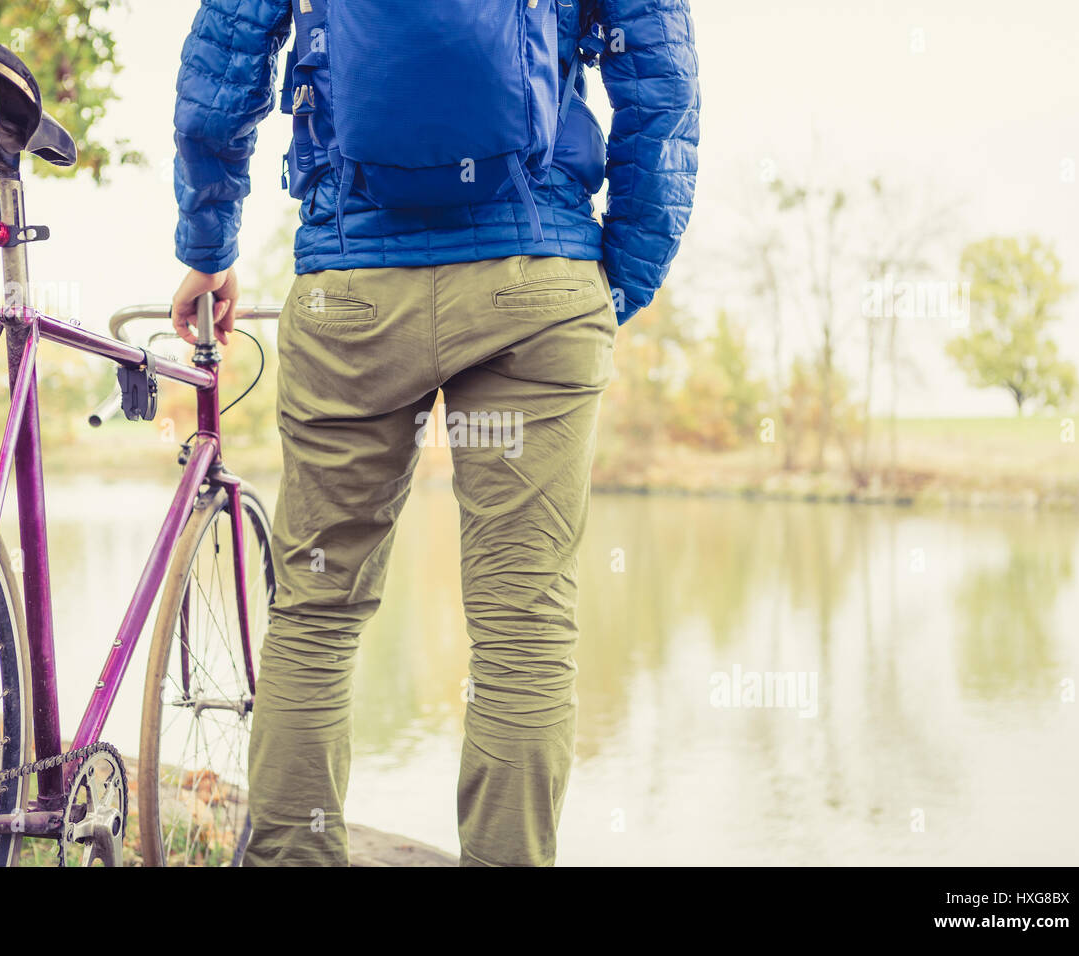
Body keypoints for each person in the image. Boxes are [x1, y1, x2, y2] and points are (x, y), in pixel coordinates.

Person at [170, 0, 699, 866]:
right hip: (536, 284)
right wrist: (613, 282)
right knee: (522, 627)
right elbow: (662, 87)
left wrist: (208, 239)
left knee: (315, 613)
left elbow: (220, 73)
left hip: (352, 287)